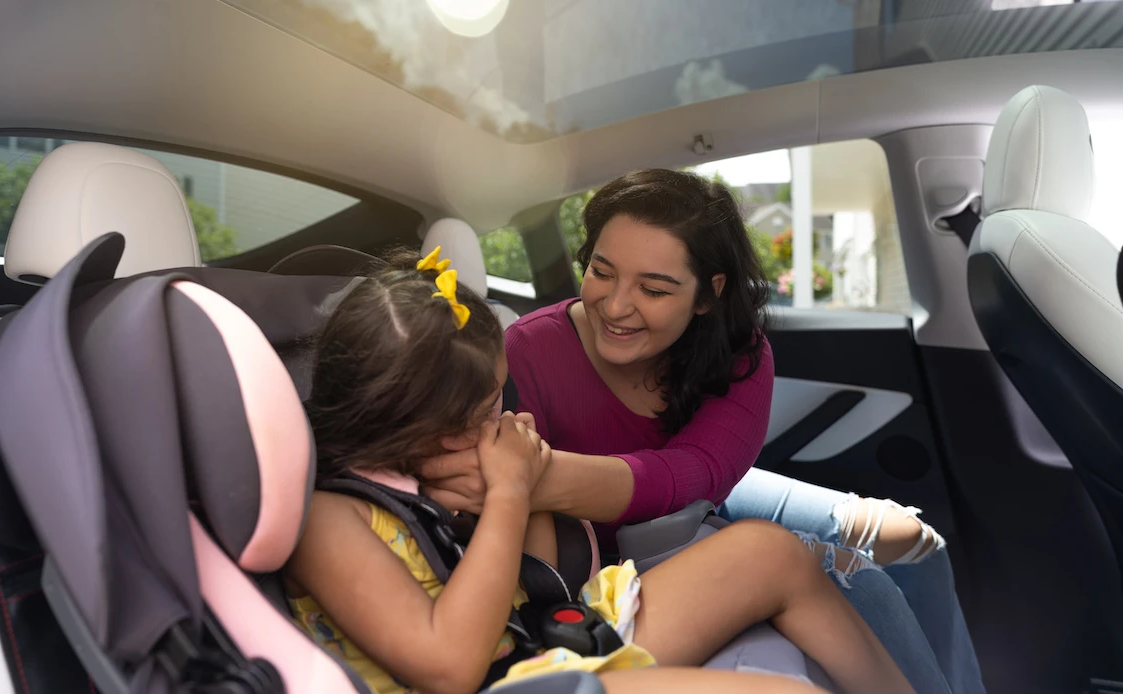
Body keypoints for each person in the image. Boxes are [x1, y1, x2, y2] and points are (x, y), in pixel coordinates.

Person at [418, 169, 985, 694]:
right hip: (613, 540)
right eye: (601, 271)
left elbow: (697, 475)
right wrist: (524, 487)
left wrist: (531, 479)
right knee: (866, 584)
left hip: (702, 498)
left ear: (709, 294)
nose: (614, 306)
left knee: (915, 543)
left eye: (655, 289)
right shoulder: (529, 350)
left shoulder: (739, 354)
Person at [284, 247, 914, 694]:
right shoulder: (331, 521)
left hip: (531, 638)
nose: (500, 423)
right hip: (498, 681)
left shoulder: (429, 478)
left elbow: (542, 584)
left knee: (769, 553)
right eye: (485, 414)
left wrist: (526, 496)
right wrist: (508, 492)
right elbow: (450, 667)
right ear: (417, 425)